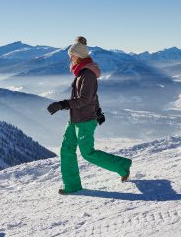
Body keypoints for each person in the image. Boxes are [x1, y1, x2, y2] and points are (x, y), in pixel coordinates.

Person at [47, 36, 132, 195]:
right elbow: (94, 97)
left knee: (88, 153)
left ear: (78, 55)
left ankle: (122, 166)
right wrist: (98, 111)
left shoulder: (88, 75)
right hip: (74, 119)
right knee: (66, 150)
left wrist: (63, 104)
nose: (70, 58)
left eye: (71, 55)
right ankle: (72, 186)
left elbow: (85, 99)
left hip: (85, 120)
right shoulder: (80, 73)